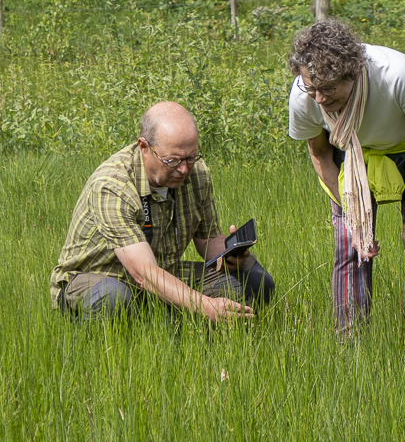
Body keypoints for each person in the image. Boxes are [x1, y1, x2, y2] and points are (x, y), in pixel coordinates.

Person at [287, 19, 405, 332]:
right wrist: (355, 222)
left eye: (329, 88)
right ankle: (351, 346)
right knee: (349, 245)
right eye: (313, 88)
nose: (320, 99)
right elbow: (320, 154)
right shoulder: (305, 95)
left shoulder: (396, 76)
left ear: (353, 72)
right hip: (355, 148)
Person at [51, 102, 275, 322]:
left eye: (190, 157)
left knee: (255, 281)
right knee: (114, 298)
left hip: (165, 272)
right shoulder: (112, 186)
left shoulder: (197, 174)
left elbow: (207, 241)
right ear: (144, 147)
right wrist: (204, 306)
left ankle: (168, 318)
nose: (184, 169)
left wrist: (229, 253)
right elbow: (144, 273)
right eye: (172, 160)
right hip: (100, 277)